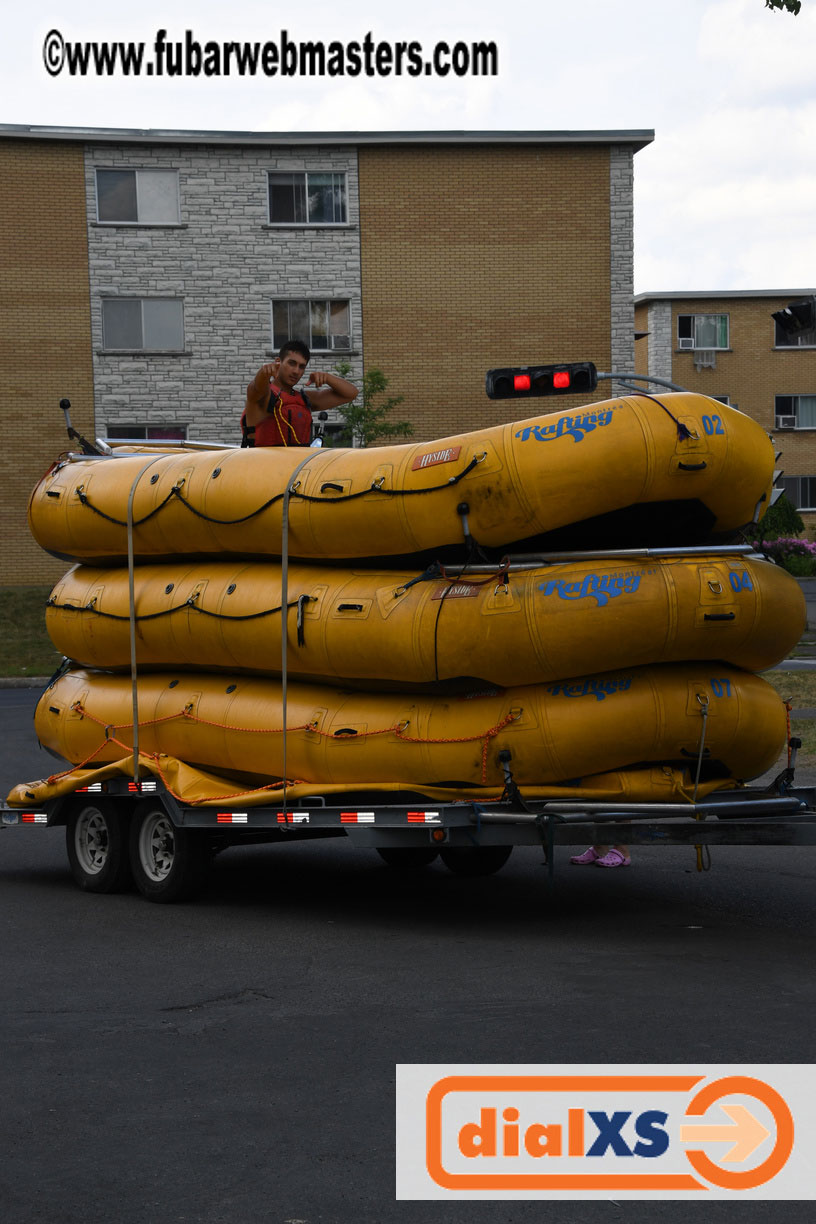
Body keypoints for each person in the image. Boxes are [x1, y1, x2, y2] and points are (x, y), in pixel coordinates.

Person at [242, 339, 358, 447]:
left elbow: (351, 393)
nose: (296, 371)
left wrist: (327, 377)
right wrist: (263, 373)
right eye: (291, 363)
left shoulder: (304, 398)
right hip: (263, 466)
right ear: (278, 362)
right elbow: (255, 389)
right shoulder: (263, 395)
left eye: (302, 367)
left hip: (298, 467)